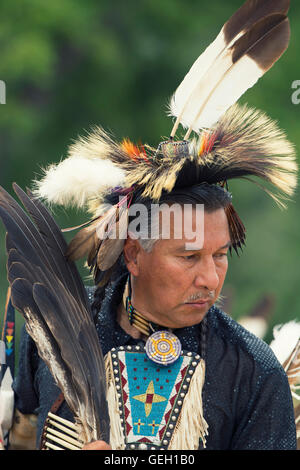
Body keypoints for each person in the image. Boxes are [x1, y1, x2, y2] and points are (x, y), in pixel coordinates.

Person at [1, 0, 298, 451]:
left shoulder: (251, 372)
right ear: (134, 253)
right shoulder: (55, 326)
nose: (210, 278)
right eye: (189, 256)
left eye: (220, 256)